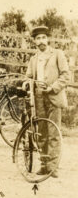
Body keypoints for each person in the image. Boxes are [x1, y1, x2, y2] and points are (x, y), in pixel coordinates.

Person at [25, 26, 70, 178]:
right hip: (38, 98)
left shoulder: (58, 54)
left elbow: (65, 75)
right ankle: (44, 165)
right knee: (41, 132)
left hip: (54, 97)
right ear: (34, 41)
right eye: (38, 38)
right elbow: (29, 76)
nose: (41, 41)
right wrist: (27, 83)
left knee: (54, 133)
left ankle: (53, 167)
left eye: (44, 37)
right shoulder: (33, 58)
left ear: (48, 39)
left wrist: (52, 87)